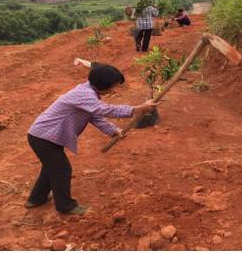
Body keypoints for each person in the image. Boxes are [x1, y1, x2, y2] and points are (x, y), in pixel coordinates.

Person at [26, 63, 155, 214]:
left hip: (46, 136)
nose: (114, 89)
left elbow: (94, 116)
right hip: (44, 137)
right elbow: (103, 110)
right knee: (62, 169)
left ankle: (36, 199)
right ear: (103, 84)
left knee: (51, 168)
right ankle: (65, 206)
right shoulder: (84, 94)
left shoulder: (88, 92)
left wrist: (112, 130)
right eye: (113, 86)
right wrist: (136, 109)